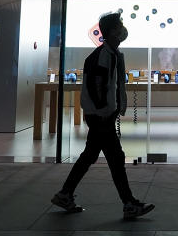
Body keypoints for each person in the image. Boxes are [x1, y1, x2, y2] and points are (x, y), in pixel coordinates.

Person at [51, 12, 155, 220]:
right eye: (120, 25)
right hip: (101, 117)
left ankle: (65, 194)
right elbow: (96, 87)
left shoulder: (112, 54)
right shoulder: (103, 56)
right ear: (112, 31)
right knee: (115, 159)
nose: (123, 28)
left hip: (103, 115)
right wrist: (104, 113)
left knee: (90, 156)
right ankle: (128, 203)